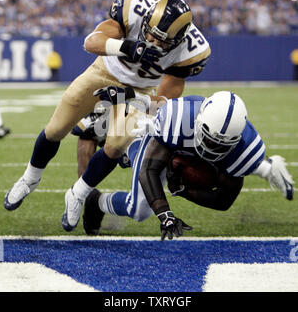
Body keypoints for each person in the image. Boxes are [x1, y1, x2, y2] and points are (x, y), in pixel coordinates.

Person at [4, 0, 211, 228]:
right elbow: (91, 41)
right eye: (151, 34)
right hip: (103, 72)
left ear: (178, 40)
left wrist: (143, 107)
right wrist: (129, 47)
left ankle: (78, 193)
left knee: (115, 146)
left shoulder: (193, 51)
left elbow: (165, 98)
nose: (153, 41)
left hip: (139, 91)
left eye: (162, 41)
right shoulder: (132, 8)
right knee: (56, 128)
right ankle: (30, 178)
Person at [81, 91, 294, 240]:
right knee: (139, 209)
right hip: (167, 142)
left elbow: (223, 200)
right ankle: (98, 196)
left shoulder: (247, 150)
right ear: (199, 122)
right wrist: (164, 213)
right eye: (209, 140)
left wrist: (184, 191)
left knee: (228, 166)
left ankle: (265, 167)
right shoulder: (178, 118)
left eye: (220, 145)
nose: (211, 149)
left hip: (191, 149)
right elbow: (149, 170)